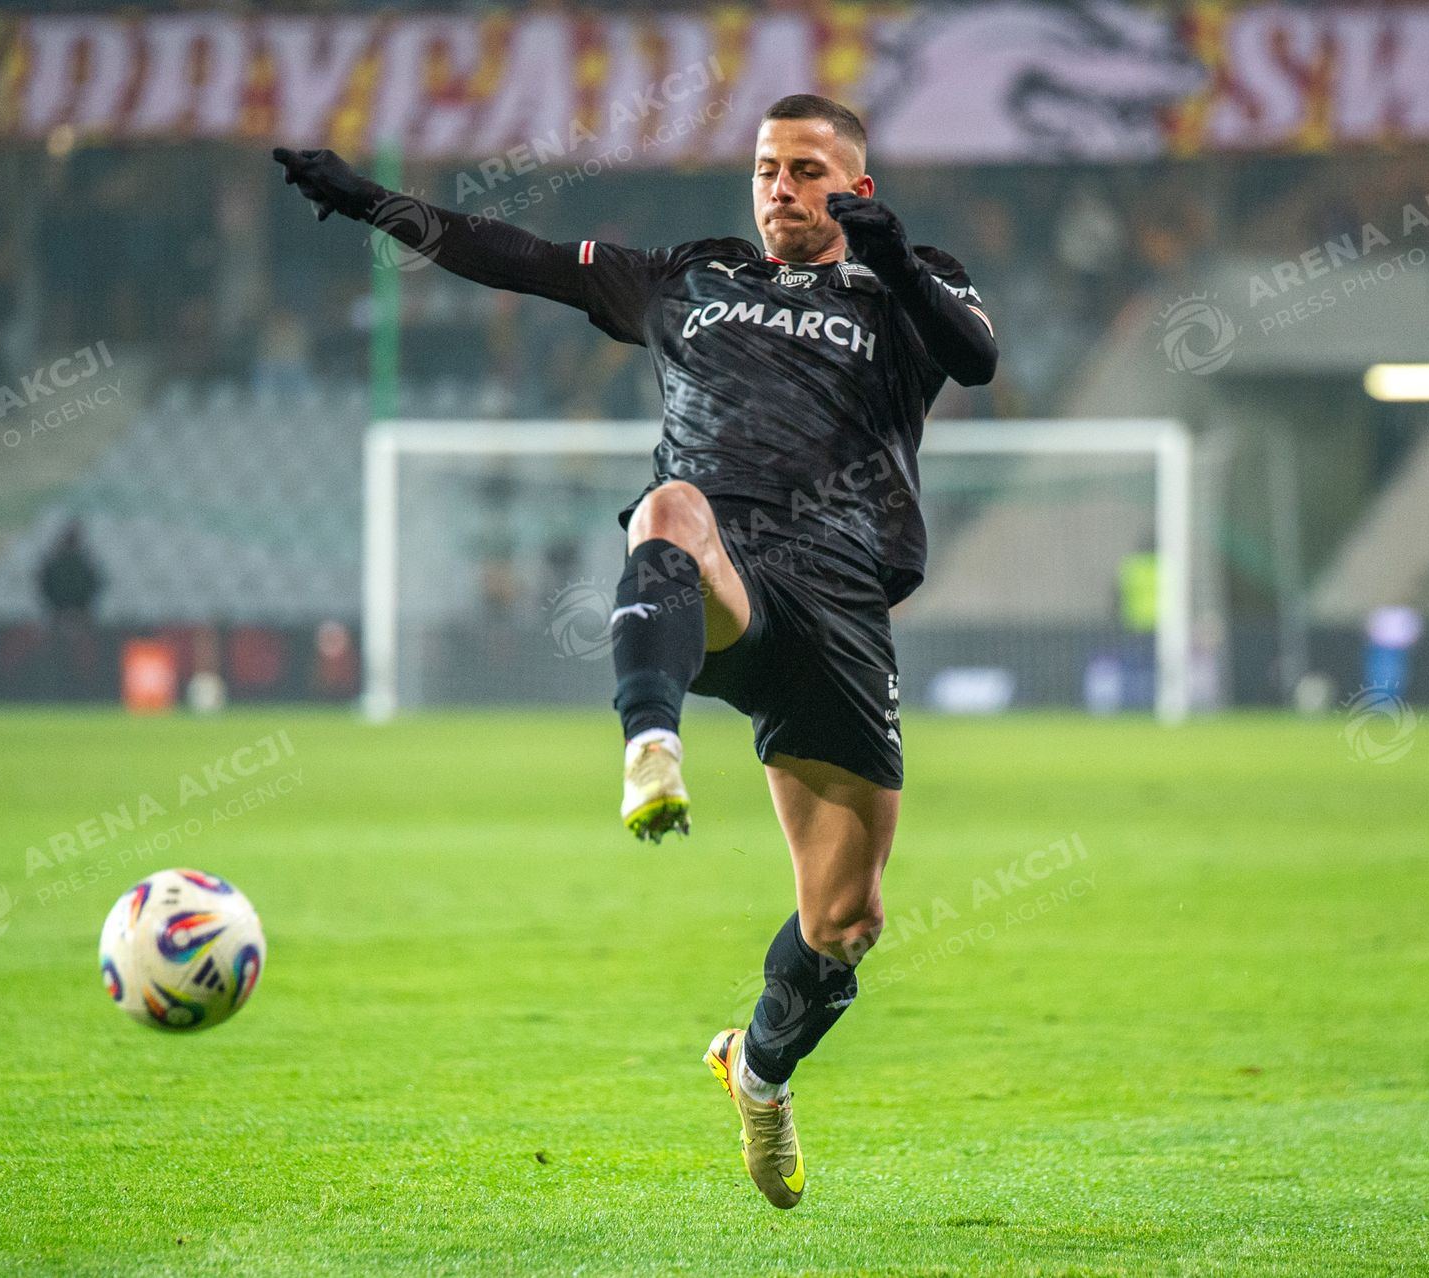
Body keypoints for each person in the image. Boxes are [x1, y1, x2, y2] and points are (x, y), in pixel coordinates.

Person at [275, 92, 996, 1210]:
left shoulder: (905, 284)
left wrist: (892, 254)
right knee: (667, 509)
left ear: (855, 186)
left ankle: (758, 1072)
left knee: (845, 923)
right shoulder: (691, 278)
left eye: (807, 170)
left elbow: (976, 357)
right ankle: (649, 746)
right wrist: (372, 202)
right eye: (767, 168)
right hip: (727, 578)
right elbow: (517, 256)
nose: (781, 188)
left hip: (845, 603)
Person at [38, 522, 104, 620]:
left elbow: (95, 582)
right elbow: (44, 582)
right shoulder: (56, 562)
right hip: (61, 609)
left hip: (77, 609)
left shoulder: (84, 561)